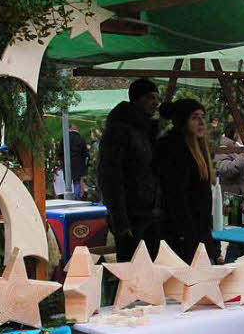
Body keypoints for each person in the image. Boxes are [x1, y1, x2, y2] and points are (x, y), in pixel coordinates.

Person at [98, 78, 162, 262]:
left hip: (150, 213)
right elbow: (110, 176)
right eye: (150, 98)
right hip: (132, 217)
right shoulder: (119, 131)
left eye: (156, 98)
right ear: (136, 100)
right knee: (131, 277)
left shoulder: (145, 131)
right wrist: (120, 220)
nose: (155, 103)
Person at [155, 99, 221, 263]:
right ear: (183, 121)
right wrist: (188, 238)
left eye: (202, 117)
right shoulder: (174, 148)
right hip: (182, 236)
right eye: (194, 117)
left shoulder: (198, 147)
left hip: (198, 232)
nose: (200, 122)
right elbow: (177, 198)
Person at [214, 122, 244, 198]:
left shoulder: (238, 148)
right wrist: (242, 156)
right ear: (235, 134)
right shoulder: (224, 149)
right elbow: (227, 170)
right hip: (232, 199)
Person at [57, 125, 89, 199]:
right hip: (78, 164)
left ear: (69, 128)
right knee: (76, 182)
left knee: (67, 183)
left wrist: (63, 160)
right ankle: (76, 198)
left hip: (67, 164)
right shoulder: (81, 139)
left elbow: (60, 152)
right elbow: (85, 154)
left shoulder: (64, 138)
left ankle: (68, 199)